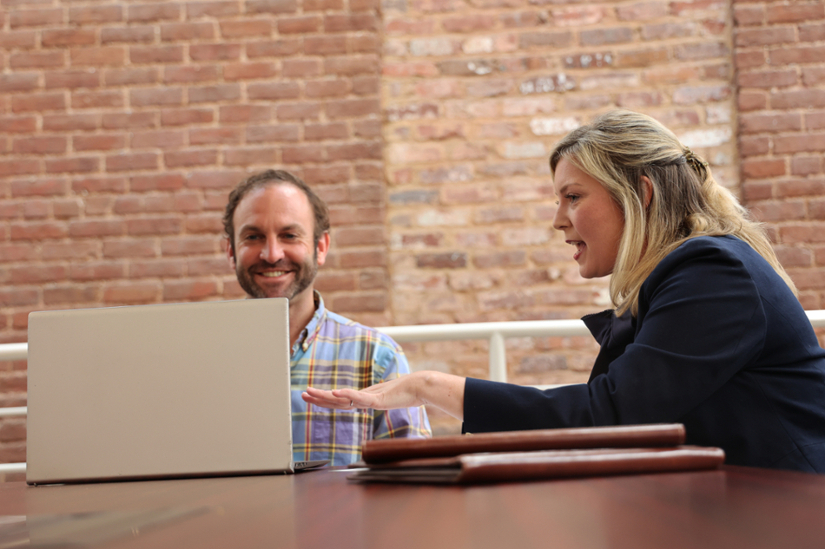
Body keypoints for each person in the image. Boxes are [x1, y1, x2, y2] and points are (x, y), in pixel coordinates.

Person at [303, 110, 825, 473]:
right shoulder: (687, 275)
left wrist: (432, 387)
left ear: (639, 194)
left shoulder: (713, 272)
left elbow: (610, 417)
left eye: (572, 196)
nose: (558, 220)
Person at [223, 169, 430, 466]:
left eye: (289, 235)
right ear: (231, 251)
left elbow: (413, 486)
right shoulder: (196, 360)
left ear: (320, 247)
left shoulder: (377, 359)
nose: (271, 253)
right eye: (253, 236)